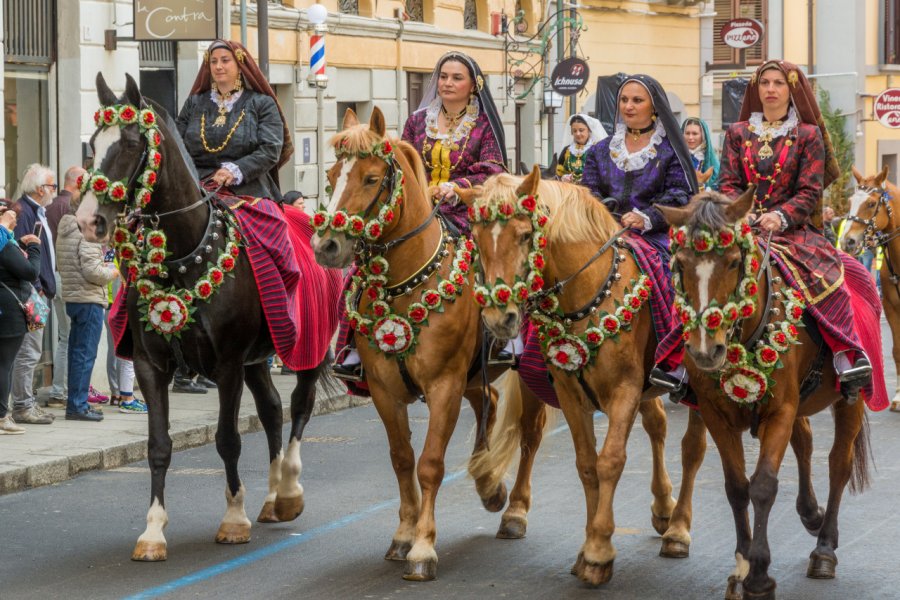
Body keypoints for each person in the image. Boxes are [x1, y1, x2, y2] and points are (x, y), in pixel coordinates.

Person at [333, 51, 509, 379]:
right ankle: (352, 348)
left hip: (464, 210)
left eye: (456, 78)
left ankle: (501, 336)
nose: (447, 83)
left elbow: (493, 170)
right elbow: (403, 161)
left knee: (493, 259)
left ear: (473, 85)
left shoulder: (483, 125)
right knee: (364, 267)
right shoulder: (418, 120)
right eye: (443, 77)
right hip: (420, 209)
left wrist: (456, 187)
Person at [718, 59, 872, 396]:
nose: (770, 89)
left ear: (792, 90)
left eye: (778, 83)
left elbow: (809, 190)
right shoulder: (737, 133)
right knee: (700, 269)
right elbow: (727, 183)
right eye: (764, 83)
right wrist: (741, 213)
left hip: (793, 230)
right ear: (756, 90)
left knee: (830, 277)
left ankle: (847, 355)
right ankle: (678, 363)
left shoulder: (807, 135)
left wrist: (780, 216)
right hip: (744, 227)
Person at [579, 75, 698, 395]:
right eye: (624, 100)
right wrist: (601, 216)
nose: (629, 106)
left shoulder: (670, 151)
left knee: (670, 274)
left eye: (637, 100)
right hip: (603, 233)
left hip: (653, 235)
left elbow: (681, 196)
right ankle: (542, 349)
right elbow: (586, 191)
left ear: (654, 107)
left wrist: (647, 217)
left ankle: (676, 358)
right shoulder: (601, 150)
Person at [176, 39, 292, 201]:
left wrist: (234, 170)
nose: (218, 66)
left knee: (269, 225)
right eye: (213, 61)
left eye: (225, 60)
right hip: (195, 185)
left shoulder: (261, 103)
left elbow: (270, 149)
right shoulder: (194, 103)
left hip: (248, 188)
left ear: (240, 65)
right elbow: (177, 144)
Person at [56, 194, 119, 421]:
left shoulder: (66, 226)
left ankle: (77, 403)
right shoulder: (87, 231)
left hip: (75, 297)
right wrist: (113, 271)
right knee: (85, 355)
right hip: (89, 298)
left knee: (76, 353)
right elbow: (93, 271)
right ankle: (77, 406)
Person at [10, 164, 58, 425]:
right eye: (52, 186)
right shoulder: (23, 212)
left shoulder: (36, 210)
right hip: (31, 292)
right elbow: (23, 253)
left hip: (37, 291)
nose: (54, 191)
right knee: (28, 352)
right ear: (40, 189)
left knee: (31, 351)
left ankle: (25, 403)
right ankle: (23, 406)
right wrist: (37, 287)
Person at [45, 166, 87, 409]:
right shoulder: (72, 207)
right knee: (73, 338)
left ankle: (60, 391)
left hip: (54, 276)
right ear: (78, 183)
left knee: (64, 337)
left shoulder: (49, 205)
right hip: (71, 278)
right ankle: (66, 392)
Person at [0, 200, 42, 434]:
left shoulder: (7, 243)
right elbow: (30, 272)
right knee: (4, 364)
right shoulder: (4, 243)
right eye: (10, 215)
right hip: (8, 311)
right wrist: (35, 248)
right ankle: (1, 417)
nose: (14, 219)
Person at [556, 114, 607, 183]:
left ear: (589, 130)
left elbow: (605, 174)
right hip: (570, 190)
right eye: (574, 131)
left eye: (581, 130)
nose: (578, 134)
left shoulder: (597, 149)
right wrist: (563, 178)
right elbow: (558, 173)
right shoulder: (567, 150)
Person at [681, 117, 720, 190]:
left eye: (695, 134)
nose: (690, 137)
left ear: (703, 136)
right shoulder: (676, 158)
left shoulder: (713, 163)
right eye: (687, 133)